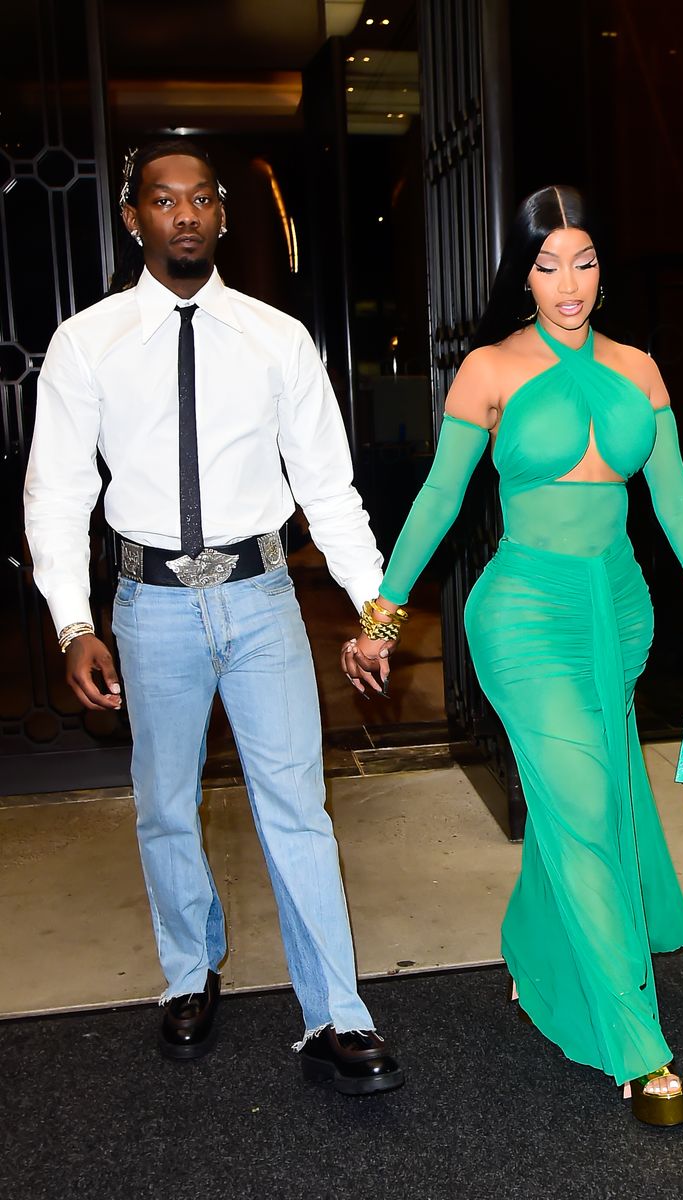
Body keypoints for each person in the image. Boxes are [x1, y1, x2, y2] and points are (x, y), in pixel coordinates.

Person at [341, 185, 683, 1125]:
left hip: (620, 610)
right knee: (589, 803)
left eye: (586, 260)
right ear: (522, 274)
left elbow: (676, 499)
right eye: (547, 263)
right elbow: (441, 499)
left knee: (578, 809)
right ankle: (637, 1047)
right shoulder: (488, 369)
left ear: (604, 269)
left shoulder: (641, 368)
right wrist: (385, 617)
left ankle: (533, 951)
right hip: (524, 614)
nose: (569, 284)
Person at [24, 140, 404, 1094]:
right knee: (164, 807)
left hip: (264, 599)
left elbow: (328, 484)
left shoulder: (278, 338)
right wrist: (73, 621)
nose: (183, 214)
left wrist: (374, 610)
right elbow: (57, 492)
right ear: (133, 219)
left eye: (200, 199)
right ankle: (189, 973)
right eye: (162, 199)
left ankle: (337, 1014)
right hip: (148, 607)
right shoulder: (87, 342)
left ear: (223, 216)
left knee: (297, 811)